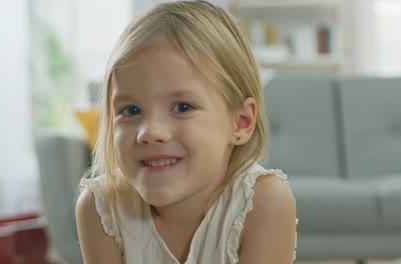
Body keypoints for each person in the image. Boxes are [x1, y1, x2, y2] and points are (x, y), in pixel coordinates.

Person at [76, 1, 297, 263]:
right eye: (131, 110)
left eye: (182, 107)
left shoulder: (264, 203)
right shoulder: (100, 207)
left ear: (240, 122)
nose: (149, 132)